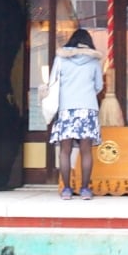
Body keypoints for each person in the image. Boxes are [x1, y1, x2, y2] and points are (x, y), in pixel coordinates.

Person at [47, 28, 104, 200]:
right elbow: (99, 86)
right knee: (86, 151)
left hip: (66, 109)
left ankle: (66, 190)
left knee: (65, 151)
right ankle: (85, 189)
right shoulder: (94, 61)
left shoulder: (61, 59)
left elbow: (52, 82)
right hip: (88, 109)